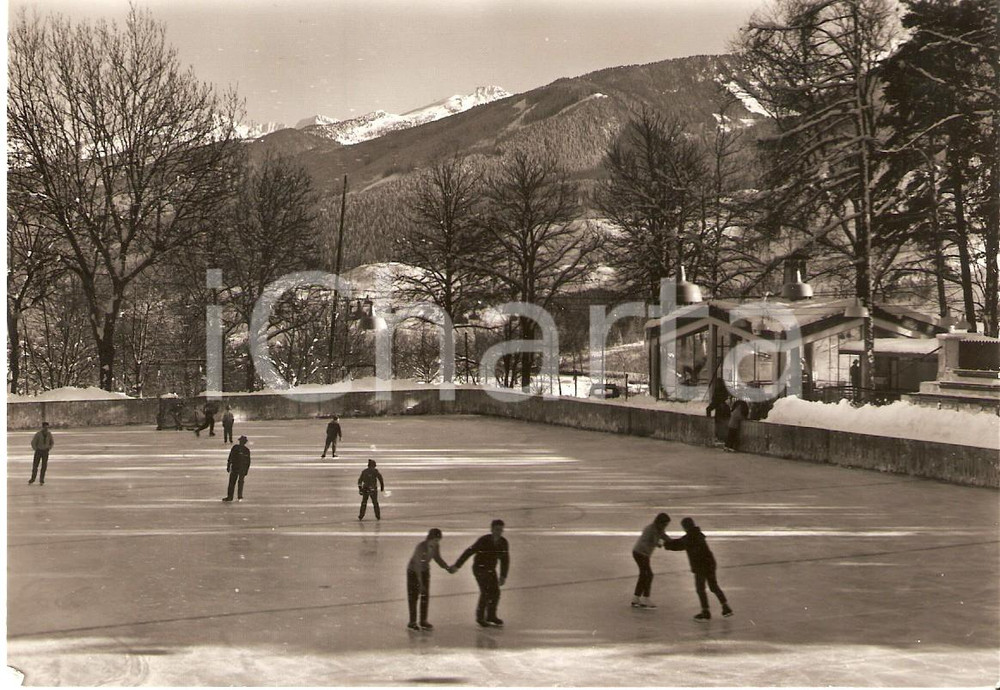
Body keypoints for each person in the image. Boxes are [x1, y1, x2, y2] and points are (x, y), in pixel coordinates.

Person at [663, 517, 733, 621]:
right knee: (713, 586)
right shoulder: (698, 534)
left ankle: (705, 611)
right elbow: (680, 543)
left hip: (701, 566)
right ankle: (725, 607)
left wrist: (665, 543)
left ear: (685, 527)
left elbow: (677, 545)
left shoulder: (689, 538)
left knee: (700, 589)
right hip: (710, 563)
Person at [452, 519, 510, 627]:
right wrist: (457, 565)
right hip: (479, 568)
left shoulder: (503, 542)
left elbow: (505, 559)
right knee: (486, 591)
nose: (499, 532)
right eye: (497, 529)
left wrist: (503, 575)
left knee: (496, 592)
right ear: (492, 529)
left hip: (490, 569)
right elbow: (469, 551)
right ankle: (480, 617)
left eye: (501, 530)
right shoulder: (484, 540)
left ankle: (491, 616)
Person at [406, 528, 455, 631]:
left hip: (424, 571)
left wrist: (447, 567)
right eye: (435, 540)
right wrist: (420, 583)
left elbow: (437, 558)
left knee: (425, 596)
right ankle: (412, 622)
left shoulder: (436, 546)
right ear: (430, 538)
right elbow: (417, 565)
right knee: (413, 596)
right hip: (413, 572)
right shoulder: (421, 547)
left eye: (438, 540)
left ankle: (423, 620)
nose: (437, 542)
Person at [631, 512, 670, 609]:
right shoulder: (651, 530)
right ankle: (645, 598)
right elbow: (657, 543)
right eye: (665, 524)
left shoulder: (657, 528)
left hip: (642, 553)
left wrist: (674, 541)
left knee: (644, 575)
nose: (665, 526)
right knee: (648, 575)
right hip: (641, 553)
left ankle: (636, 597)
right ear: (660, 522)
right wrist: (668, 544)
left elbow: (664, 536)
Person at [223, 435, 252, 502]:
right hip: (238, 467)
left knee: (235, 482)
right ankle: (237, 496)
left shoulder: (240, 449)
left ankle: (233, 496)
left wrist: (228, 465)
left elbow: (248, 461)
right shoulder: (244, 450)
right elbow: (231, 457)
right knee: (236, 482)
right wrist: (228, 465)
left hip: (238, 467)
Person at [28, 421, 55, 485]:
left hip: (45, 452)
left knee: (44, 466)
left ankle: (41, 479)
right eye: (45, 427)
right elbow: (33, 442)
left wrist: (49, 448)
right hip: (38, 451)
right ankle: (33, 479)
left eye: (47, 427)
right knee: (35, 466)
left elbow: (52, 442)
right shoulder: (38, 434)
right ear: (42, 427)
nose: (46, 428)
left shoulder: (49, 434)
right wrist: (36, 449)